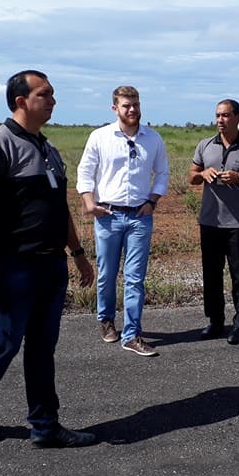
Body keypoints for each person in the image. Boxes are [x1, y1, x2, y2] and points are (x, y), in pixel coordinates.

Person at [0, 70, 97, 448]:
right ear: (21, 101)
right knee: (4, 341)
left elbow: (59, 207)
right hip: (14, 264)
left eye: (51, 94)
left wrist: (78, 254)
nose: (52, 101)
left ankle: (45, 426)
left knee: (41, 347)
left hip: (52, 265)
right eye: (44, 94)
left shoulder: (47, 149)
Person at [76, 86, 169, 357]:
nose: (132, 110)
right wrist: (89, 202)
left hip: (140, 216)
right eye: (126, 105)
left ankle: (132, 334)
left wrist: (152, 201)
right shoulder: (100, 137)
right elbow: (85, 170)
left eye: (136, 104)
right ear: (114, 108)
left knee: (135, 278)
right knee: (106, 274)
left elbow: (162, 172)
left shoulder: (152, 139)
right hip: (108, 215)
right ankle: (105, 320)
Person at [188, 99, 239, 345]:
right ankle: (214, 321)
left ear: (237, 117)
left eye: (225, 116)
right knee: (211, 275)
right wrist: (202, 174)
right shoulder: (205, 145)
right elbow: (191, 176)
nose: (220, 120)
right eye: (217, 116)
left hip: (237, 223)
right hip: (210, 221)